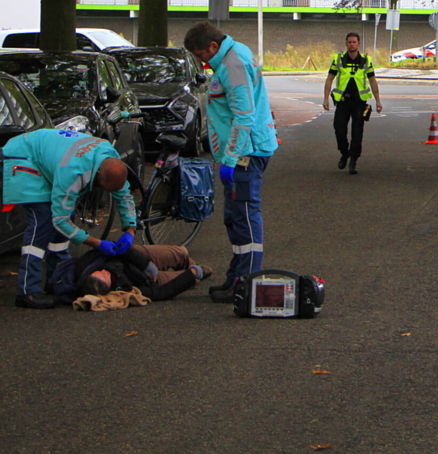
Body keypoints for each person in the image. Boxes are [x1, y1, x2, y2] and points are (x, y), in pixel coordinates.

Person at [183, 21, 277, 302]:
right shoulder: (233, 54)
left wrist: (232, 158)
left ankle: (246, 283)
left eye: (202, 55)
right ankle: (237, 277)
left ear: (214, 46)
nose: (202, 61)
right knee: (235, 218)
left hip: (246, 154)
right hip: (243, 152)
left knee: (245, 217)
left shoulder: (233, 64)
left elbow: (244, 115)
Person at [3, 128, 137, 309]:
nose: (98, 190)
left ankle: (56, 279)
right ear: (97, 175)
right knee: (41, 222)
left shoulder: (110, 159)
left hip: (50, 158)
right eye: (99, 186)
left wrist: (130, 229)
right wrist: (96, 243)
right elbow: (59, 220)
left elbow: (124, 195)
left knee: (66, 221)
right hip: (24, 157)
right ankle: (27, 291)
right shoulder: (73, 172)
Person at [322, 32, 383, 175]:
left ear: (359, 44)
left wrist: (378, 100)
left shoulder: (366, 60)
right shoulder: (338, 59)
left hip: (359, 102)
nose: (351, 44)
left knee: (357, 133)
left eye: (354, 42)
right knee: (339, 130)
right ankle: (345, 152)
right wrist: (325, 98)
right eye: (349, 42)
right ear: (346, 44)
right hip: (343, 102)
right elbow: (330, 79)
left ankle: (354, 160)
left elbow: (373, 80)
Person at [73, 244, 211, 302]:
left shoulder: (86, 264)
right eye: (105, 276)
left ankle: (186, 261)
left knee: (181, 252)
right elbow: (158, 293)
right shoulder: (124, 289)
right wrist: (191, 275)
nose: (104, 271)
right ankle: (195, 269)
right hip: (144, 278)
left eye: (99, 272)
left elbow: (118, 246)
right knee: (191, 276)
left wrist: (146, 264)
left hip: (136, 257)